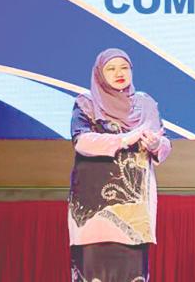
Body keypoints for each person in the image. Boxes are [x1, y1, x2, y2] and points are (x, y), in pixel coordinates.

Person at [68, 48, 171, 282]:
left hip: (134, 207)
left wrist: (155, 143)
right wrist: (125, 138)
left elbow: (164, 148)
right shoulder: (87, 103)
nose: (119, 73)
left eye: (124, 67)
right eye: (111, 68)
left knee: (132, 274)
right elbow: (82, 142)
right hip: (94, 205)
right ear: (99, 73)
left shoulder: (145, 104)